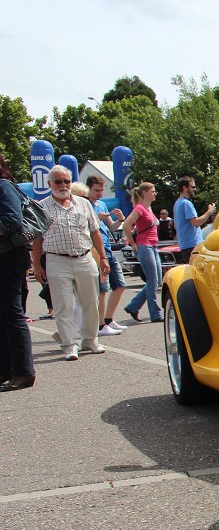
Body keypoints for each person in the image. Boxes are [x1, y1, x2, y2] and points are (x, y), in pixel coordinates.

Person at [33, 166, 110, 360]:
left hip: (84, 258)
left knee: (90, 302)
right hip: (56, 260)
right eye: (58, 181)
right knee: (63, 305)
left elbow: (95, 232)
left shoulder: (83, 204)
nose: (63, 185)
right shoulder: (42, 207)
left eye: (66, 181)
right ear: (50, 184)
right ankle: (68, 345)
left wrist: (102, 257)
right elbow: (37, 239)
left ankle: (90, 340)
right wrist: (36, 265)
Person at [0, 151, 35, 390]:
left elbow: (12, 220)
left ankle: (24, 371)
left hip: (9, 260)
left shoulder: (4, 186)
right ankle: (7, 370)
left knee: (12, 316)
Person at [86, 175, 127, 336]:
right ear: (88, 188)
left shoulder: (102, 204)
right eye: (96, 190)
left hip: (107, 249)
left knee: (120, 284)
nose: (100, 193)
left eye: (102, 190)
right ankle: (100, 325)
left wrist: (120, 219)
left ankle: (109, 319)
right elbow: (83, 224)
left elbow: (111, 227)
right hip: (94, 250)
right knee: (102, 289)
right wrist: (97, 218)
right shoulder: (85, 204)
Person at [122, 182, 164, 323]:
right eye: (153, 191)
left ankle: (133, 306)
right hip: (144, 246)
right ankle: (156, 314)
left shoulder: (149, 208)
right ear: (145, 193)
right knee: (152, 281)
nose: (155, 193)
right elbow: (127, 225)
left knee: (156, 281)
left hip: (153, 246)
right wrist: (133, 245)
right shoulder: (140, 208)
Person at [173, 176, 215, 264]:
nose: (194, 189)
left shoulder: (177, 203)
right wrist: (209, 211)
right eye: (192, 187)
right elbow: (196, 223)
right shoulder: (186, 203)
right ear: (184, 188)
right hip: (192, 245)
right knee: (198, 273)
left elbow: (175, 226)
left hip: (185, 244)